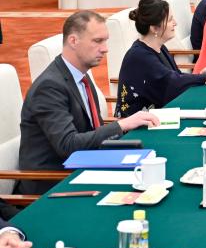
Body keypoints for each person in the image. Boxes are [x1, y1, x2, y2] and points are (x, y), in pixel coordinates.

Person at [17, 11, 159, 195]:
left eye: (105, 41)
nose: (105, 49)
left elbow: (91, 130)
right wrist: (122, 124)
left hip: (84, 166)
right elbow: (68, 145)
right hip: (54, 184)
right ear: (73, 41)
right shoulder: (49, 87)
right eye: (97, 41)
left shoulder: (81, 76)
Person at [116, 0, 206, 117]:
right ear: (154, 28)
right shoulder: (139, 56)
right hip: (138, 126)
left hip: (159, 116)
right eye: (170, 20)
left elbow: (176, 78)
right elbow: (173, 83)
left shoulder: (159, 47)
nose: (175, 23)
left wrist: (204, 73)